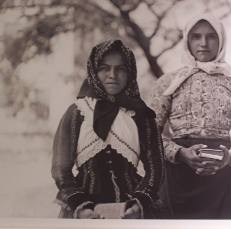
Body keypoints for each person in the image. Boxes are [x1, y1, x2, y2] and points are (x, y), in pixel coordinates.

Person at [149, 14, 231, 219]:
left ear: (221, 40)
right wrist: (180, 153)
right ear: (187, 40)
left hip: (224, 176)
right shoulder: (169, 82)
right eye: (196, 36)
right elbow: (147, 133)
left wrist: (230, 157)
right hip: (178, 178)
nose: (203, 43)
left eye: (211, 36)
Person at [51, 39, 164, 219]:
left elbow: (156, 166)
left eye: (120, 69)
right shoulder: (77, 112)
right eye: (104, 68)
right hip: (84, 207)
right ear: (94, 72)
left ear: (130, 73)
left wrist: (139, 203)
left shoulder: (142, 114)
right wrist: (80, 206)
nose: (112, 75)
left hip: (131, 207)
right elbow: (60, 169)